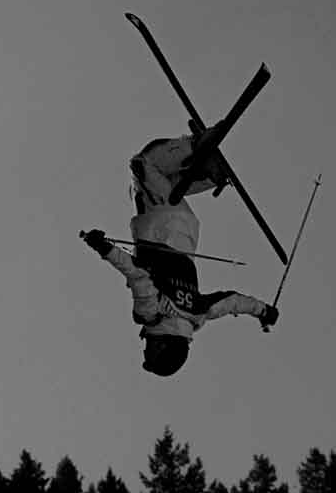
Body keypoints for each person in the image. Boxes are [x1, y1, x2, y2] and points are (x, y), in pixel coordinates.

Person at [81, 126, 279, 377]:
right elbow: (138, 274)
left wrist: (263, 311)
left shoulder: (198, 314)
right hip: (160, 227)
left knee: (158, 182)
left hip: (186, 231)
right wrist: (104, 248)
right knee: (142, 165)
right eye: (150, 354)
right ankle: (194, 147)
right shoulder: (152, 314)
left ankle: (209, 175)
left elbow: (231, 301)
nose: (144, 351)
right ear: (163, 346)